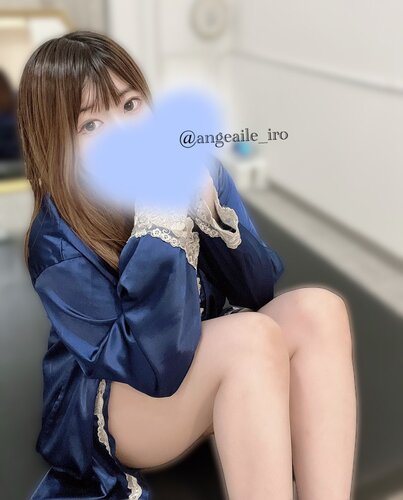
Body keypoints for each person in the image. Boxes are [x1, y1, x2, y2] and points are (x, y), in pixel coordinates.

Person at [18, 30, 357, 500]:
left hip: (200, 361)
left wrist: (210, 215)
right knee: (249, 338)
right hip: (123, 397)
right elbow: (148, 366)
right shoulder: (56, 240)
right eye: (91, 125)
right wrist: (161, 224)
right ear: (57, 141)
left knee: (319, 309)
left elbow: (259, 291)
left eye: (130, 105)